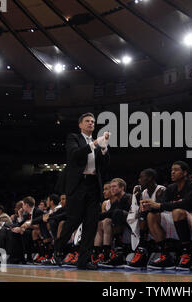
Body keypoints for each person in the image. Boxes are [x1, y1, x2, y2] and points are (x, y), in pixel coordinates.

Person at [53, 112, 110, 270]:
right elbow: (74, 154)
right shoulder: (74, 138)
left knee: (91, 225)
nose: (91, 123)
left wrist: (104, 148)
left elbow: (104, 165)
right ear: (80, 124)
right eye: (87, 121)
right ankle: (57, 248)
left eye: (93, 121)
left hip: (93, 185)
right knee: (73, 221)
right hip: (78, 185)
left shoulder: (96, 143)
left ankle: (83, 261)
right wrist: (95, 144)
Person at [140, 161, 192, 270]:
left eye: (176, 170)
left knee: (177, 211)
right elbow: (160, 204)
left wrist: (160, 205)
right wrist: (148, 205)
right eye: (172, 170)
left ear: (185, 173)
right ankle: (166, 255)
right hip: (176, 218)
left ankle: (188, 254)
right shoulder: (171, 187)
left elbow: (188, 204)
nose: (172, 172)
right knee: (151, 215)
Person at [126, 169, 166, 269]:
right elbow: (137, 209)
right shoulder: (143, 192)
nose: (139, 180)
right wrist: (137, 197)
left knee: (144, 215)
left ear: (150, 178)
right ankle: (141, 249)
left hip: (163, 218)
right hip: (148, 219)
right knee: (135, 216)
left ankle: (143, 248)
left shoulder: (161, 190)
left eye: (141, 177)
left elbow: (161, 207)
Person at [97, 178, 132, 268]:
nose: (112, 189)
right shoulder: (116, 202)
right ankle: (104, 252)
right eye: (111, 187)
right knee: (104, 221)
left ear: (122, 188)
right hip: (122, 225)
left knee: (117, 213)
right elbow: (108, 214)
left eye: (114, 186)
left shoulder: (129, 197)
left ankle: (119, 251)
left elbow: (135, 214)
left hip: (134, 225)